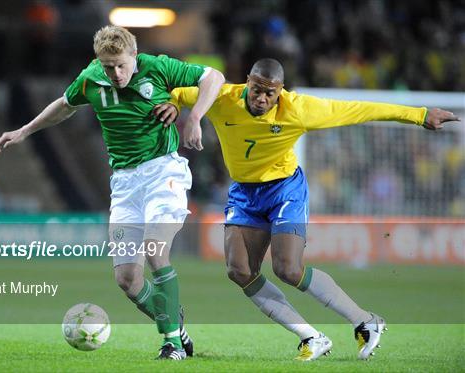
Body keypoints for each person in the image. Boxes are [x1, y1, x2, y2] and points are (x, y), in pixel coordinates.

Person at [155, 58, 460, 361]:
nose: (261, 98)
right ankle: (311, 336)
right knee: (240, 271)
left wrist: (419, 115)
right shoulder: (222, 98)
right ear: (247, 81)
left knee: (288, 268)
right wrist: (172, 103)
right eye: (256, 89)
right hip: (244, 192)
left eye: (269, 93)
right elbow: (180, 92)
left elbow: (360, 110)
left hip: (284, 189)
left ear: (280, 91)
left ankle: (365, 320)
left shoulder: (298, 109)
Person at [0, 25, 225, 360]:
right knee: (127, 280)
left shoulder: (157, 66)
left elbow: (213, 77)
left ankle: (172, 345)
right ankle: (175, 324)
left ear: (134, 55)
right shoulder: (91, 78)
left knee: (155, 250)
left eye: (120, 65)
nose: (115, 73)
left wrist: (195, 117)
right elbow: (65, 104)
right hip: (125, 183)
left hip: (164, 172)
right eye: (107, 66)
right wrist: (25, 130)